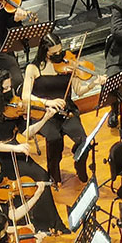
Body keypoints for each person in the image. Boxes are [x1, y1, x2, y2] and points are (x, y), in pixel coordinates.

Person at [0, 70, 66, 233]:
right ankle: (21, 222)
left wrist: (45, 119)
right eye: (5, 89)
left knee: (41, 175)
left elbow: (26, 132)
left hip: (15, 148)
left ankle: (48, 223)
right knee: (12, 187)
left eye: (10, 87)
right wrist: (14, 147)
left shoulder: (14, 107)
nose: (9, 91)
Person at [21, 33, 94, 184]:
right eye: (54, 53)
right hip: (45, 114)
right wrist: (47, 102)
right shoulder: (33, 68)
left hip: (66, 111)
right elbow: (25, 96)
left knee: (83, 141)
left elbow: (79, 91)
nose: (59, 56)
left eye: (60, 51)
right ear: (45, 51)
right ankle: (53, 174)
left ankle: (80, 165)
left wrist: (95, 83)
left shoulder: (68, 64)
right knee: (54, 139)